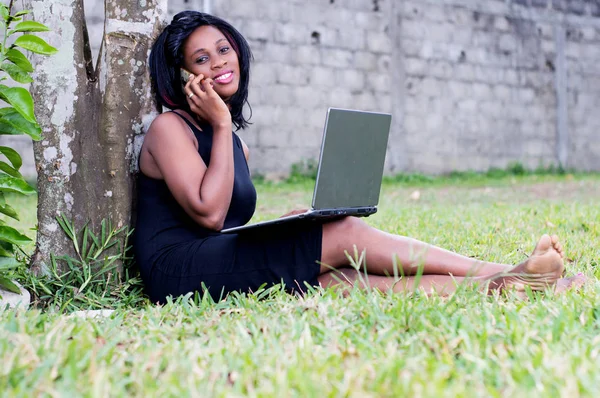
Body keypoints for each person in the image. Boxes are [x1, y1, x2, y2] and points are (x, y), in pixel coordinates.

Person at [134, 11, 585, 304]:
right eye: (201, 58)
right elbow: (210, 216)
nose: (217, 62)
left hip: (213, 262)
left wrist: (285, 225)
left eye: (223, 49)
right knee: (342, 230)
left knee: (343, 281)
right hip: (176, 275)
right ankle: (507, 271)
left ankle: (501, 289)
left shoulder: (236, 145)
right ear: (183, 77)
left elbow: (227, 229)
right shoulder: (168, 130)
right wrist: (218, 123)